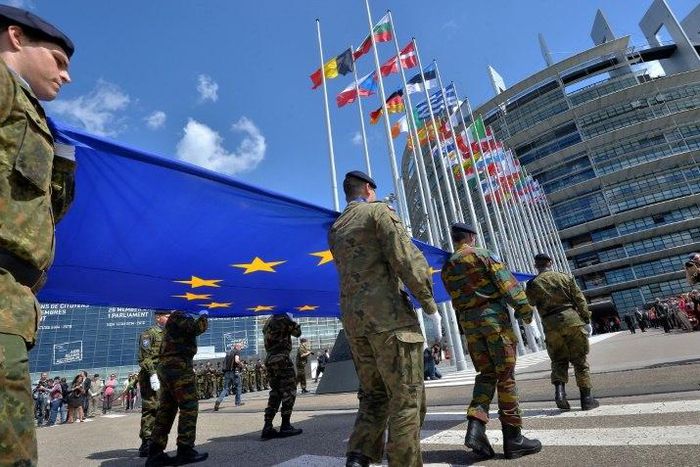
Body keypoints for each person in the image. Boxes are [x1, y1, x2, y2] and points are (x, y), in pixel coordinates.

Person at [0, 5, 75, 465]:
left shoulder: (31, 115)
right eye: (58, 61)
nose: (65, 77)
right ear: (15, 38)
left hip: (15, 299)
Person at [328, 171, 442, 467]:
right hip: (390, 320)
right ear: (368, 188)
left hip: (356, 326)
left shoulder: (336, 227)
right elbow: (405, 257)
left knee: (373, 395)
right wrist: (428, 302)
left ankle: (358, 457)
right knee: (406, 399)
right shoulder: (379, 211)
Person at [441, 223, 541, 460]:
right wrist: (525, 311)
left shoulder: (448, 266)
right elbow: (507, 284)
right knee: (505, 376)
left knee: (486, 375)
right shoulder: (483, 255)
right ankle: (513, 438)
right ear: (472, 237)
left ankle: (476, 426)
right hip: (494, 322)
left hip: (470, 326)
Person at [525, 253, 600, 413]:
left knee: (558, 361)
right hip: (572, 321)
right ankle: (586, 399)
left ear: (535, 266)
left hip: (551, 325)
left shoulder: (532, 284)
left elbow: (528, 304)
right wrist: (586, 319)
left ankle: (560, 394)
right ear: (550, 263)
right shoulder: (565, 277)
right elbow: (580, 299)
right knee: (580, 362)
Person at [146, 310, 209, 466]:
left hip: (168, 368)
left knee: (166, 410)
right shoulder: (180, 315)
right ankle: (185, 450)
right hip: (178, 367)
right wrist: (204, 316)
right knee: (189, 407)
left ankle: (155, 453)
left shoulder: (174, 318)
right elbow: (196, 328)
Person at [261, 312, 304, 440]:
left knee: (275, 392)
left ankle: (267, 426)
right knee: (289, 391)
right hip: (282, 359)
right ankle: (285, 425)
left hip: (270, 359)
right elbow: (297, 333)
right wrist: (292, 320)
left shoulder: (268, 320)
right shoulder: (284, 318)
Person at [137, 310, 170, 457]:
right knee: (151, 408)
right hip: (151, 376)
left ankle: (156, 442)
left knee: (162, 408)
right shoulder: (148, 334)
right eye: (167, 316)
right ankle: (147, 442)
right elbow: (145, 357)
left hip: (163, 376)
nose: (169, 319)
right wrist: (152, 374)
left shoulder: (168, 334)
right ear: (158, 317)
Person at [214, 343, 244, 410]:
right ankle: (238, 402)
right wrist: (241, 364)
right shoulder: (237, 351)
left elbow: (224, 363)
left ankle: (218, 401)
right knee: (238, 387)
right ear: (237, 347)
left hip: (227, 373)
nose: (241, 349)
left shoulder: (228, 353)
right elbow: (236, 360)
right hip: (234, 372)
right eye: (241, 347)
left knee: (225, 388)